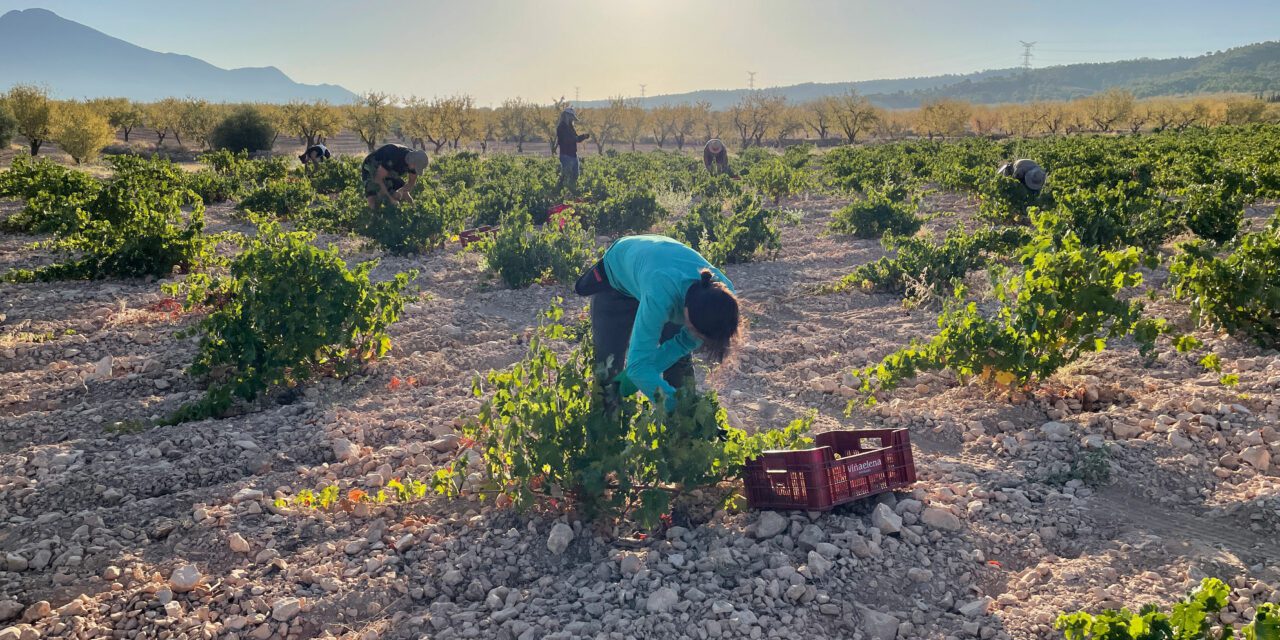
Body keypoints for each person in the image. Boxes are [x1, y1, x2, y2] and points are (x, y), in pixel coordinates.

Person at [574, 235, 740, 410]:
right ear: (687, 313)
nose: (695, 338)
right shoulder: (661, 294)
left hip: (657, 268)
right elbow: (637, 367)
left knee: (679, 367)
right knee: (608, 366)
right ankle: (604, 428)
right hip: (617, 277)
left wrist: (628, 383)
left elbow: (680, 345)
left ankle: (683, 434)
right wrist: (677, 410)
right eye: (693, 330)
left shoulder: (723, 300)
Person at [361, 143, 429, 207]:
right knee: (373, 199)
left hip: (390, 171)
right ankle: (374, 216)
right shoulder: (394, 154)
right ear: (412, 161)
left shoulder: (413, 165)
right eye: (416, 167)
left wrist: (400, 191)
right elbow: (378, 178)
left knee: (406, 197)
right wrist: (390, 199)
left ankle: (414, 216)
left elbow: (411, 184)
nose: (415, 170)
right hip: (372, 167)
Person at [556, 108, 590, 191]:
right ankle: (563, 195)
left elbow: (576, 139)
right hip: (566, 155)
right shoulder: (561, 127)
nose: (572, 119)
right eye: (571, 117)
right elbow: (569, 139)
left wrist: (584, 136)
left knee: (575, 176)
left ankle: (572, 196)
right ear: (567, 116)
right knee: (567, 178)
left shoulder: (570, 127)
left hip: (573, 155)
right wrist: (580, 137)